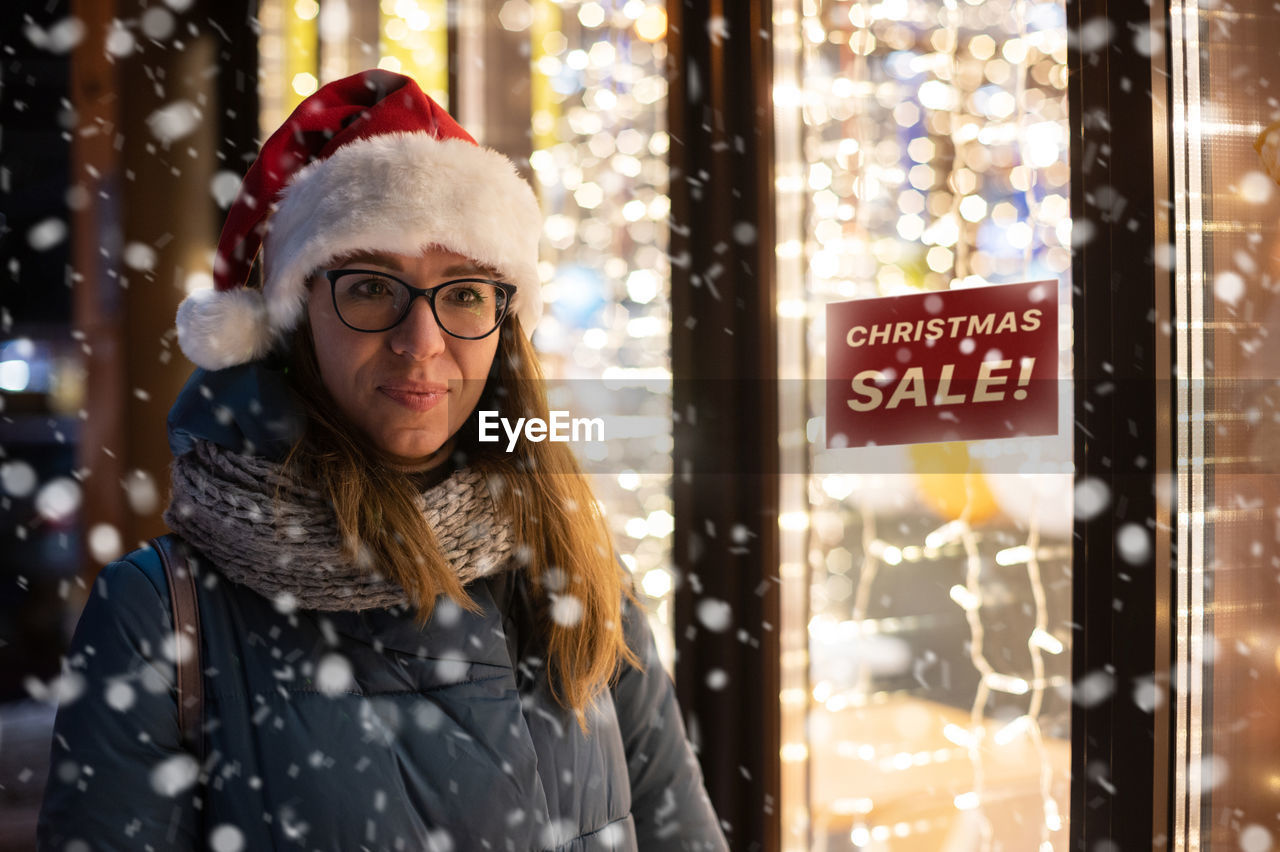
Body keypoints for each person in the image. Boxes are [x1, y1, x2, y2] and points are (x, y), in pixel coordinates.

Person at [37, 69, 728, 851]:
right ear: (295, 318)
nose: (422, 342)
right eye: (371, 287)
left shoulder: (577, 569)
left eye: (465, 292)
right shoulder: (159, 618)